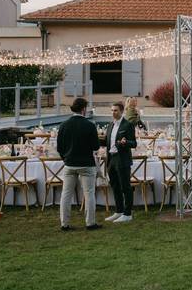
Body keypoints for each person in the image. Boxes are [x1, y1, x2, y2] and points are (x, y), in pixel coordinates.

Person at [56, 97, 101, 231]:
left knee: (66, 194)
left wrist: (66, 158)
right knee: (89, 193)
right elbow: (96, 146)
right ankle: (90, 222)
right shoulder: (89, 125)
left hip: (69, 164)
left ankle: (64, 223)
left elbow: (59, 147)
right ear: (83, 109)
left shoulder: (64, 125)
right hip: (86, 164)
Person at [104, 101, 137, 224]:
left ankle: (127, 213)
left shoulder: (127, 125)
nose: (113, 112)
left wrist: (125, 143)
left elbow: (133, 143)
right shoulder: (110, 125)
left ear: (122, 111)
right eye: (112, 110)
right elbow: (107, 142)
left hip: (122, 158)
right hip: (111, 159)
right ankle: (119, 211)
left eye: (116, 110)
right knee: (115, 186)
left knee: (125, 187)